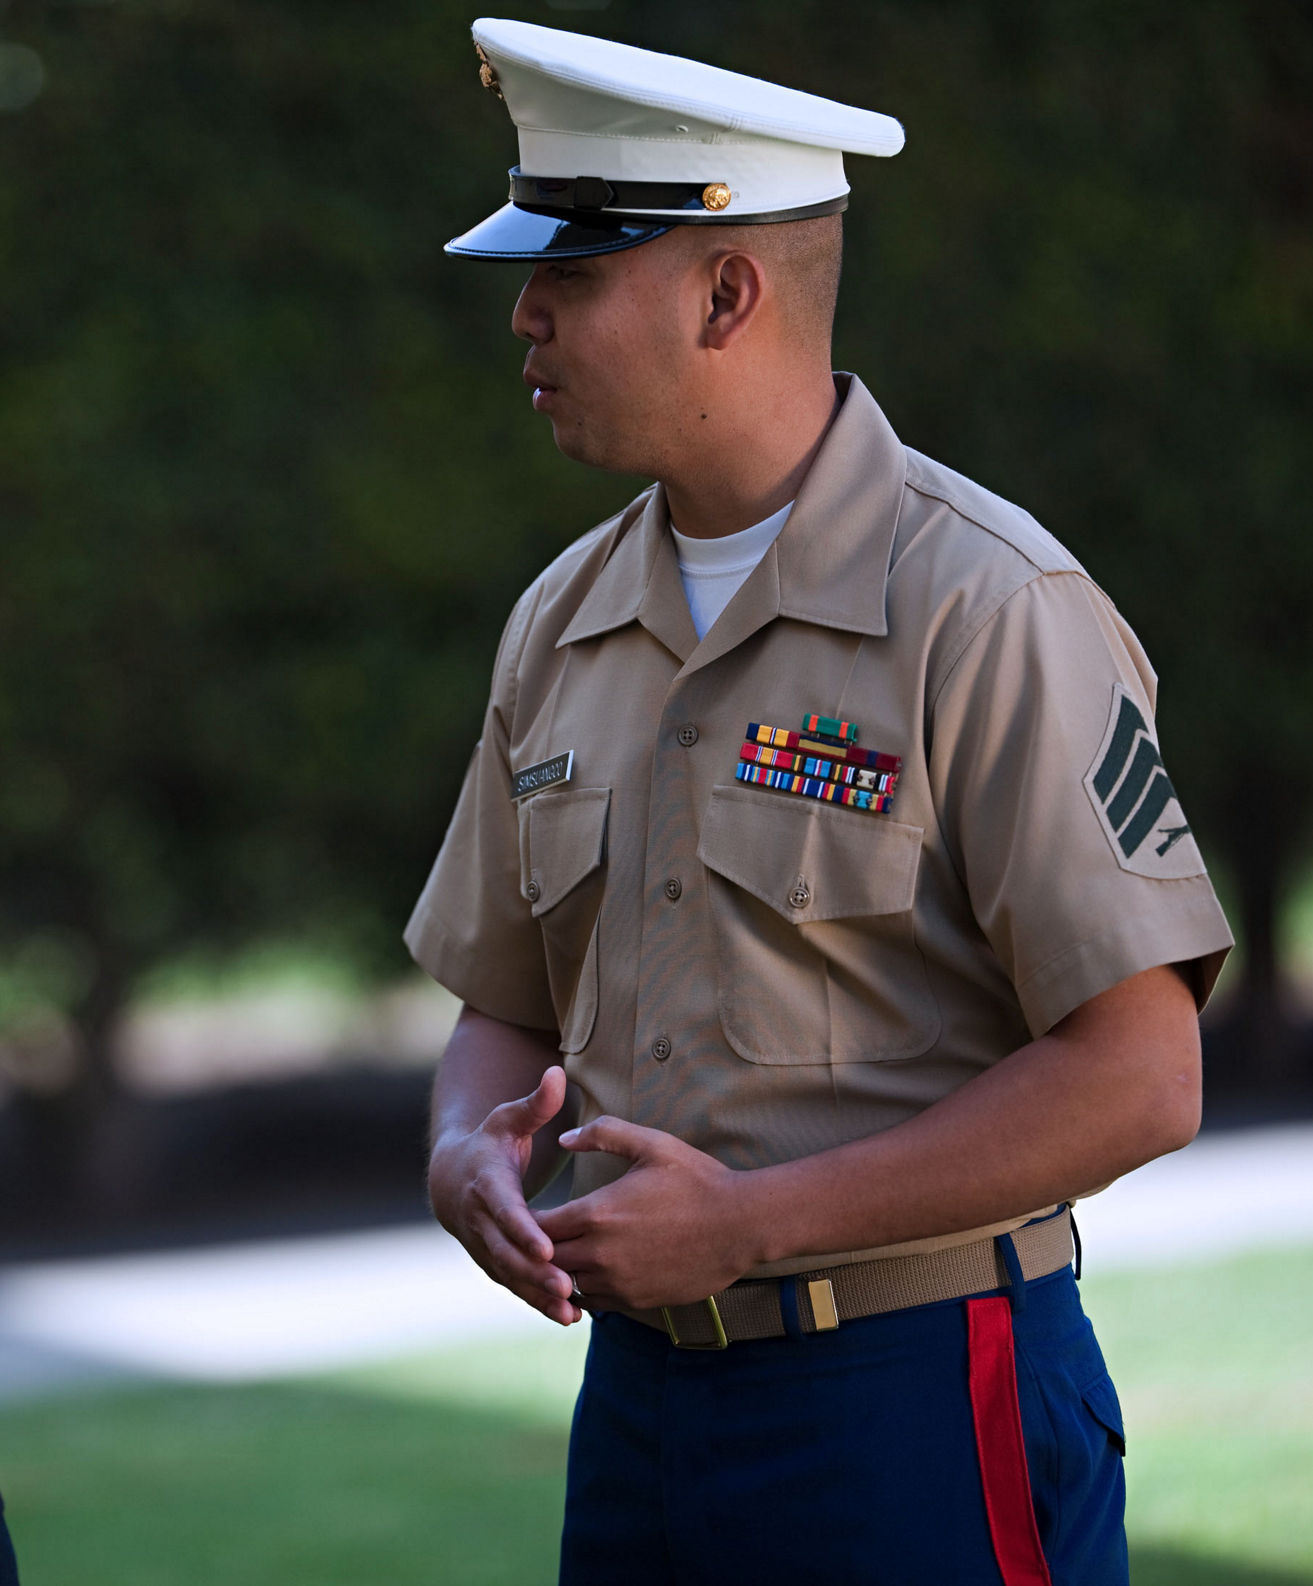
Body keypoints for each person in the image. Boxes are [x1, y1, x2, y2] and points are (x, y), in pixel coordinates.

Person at [409, 18, 1234, 1585]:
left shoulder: (986, 605)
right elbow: (502, 1010)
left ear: (727, 291)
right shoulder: (558, 620)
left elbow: (1142, 1076)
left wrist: (755, 1223)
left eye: (567, 277)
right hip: (640, 1401)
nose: (522, 316)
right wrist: (465, 1148)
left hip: (918, 1391)